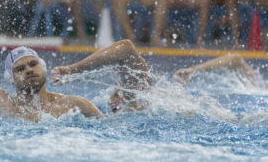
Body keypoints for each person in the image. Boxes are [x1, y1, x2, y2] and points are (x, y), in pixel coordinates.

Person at [51, 39, 256, 113]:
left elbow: (126, 48)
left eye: (117, 93)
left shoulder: (140, 100)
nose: (113, 99)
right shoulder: (157, 101)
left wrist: (71, 70)